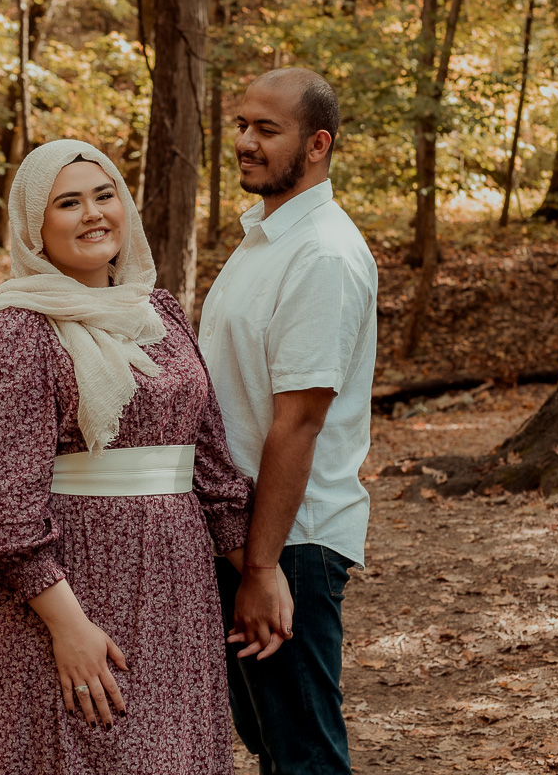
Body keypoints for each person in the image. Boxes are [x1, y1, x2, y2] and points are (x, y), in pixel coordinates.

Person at [0, 139, 256, 775]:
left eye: (104, 195)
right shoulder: (9, 333)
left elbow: (210, 462)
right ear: (34, 225)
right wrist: (67, 627)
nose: (93, 214)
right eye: (68, 203)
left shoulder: (157, 313)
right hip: (60, 595)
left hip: (176, 588)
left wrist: (259, 573)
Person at [199, 68, 379, 775]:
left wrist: (263, 566)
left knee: (304, 756)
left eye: (266, 129)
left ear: (317, 144)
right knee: (272, 743)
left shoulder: (324, 255)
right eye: (241, 125)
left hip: (289, 547)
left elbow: (298, 423)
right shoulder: (263, 239)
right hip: (245, 538)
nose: (244, 141)